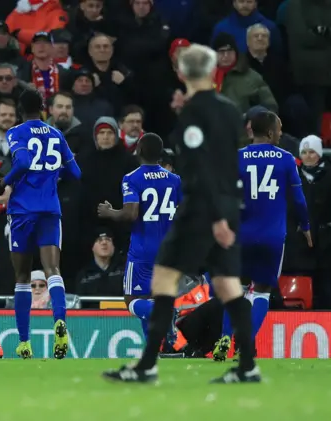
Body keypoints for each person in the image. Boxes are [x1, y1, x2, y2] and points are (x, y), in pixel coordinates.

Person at [103, 44, 260, 384]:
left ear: (182, 73)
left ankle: (149, 364)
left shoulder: (194, 116)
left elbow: (201, 169)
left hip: (204, 212)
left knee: (162, 285)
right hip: (227, 206)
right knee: (229, 287)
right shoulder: (230, 110)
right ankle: (247, 365)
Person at [213, 111, 311, 361]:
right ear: (269, 132)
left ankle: (224, 337)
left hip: (241, 236)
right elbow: (299, 200)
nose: (280, 133)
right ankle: (244, 346)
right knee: (262, 292)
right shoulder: (287, 159)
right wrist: (306, 226)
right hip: (272, 237)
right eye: (279, 129)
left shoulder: (235, 158)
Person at [0, 90, 81, 359]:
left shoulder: (16, 132)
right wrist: (52, 175)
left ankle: (24, 341)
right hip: (50, 208)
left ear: (20, 110)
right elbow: (75, 173)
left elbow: (23, 161)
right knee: (53, 269)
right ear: (44, 108)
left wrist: (4, 182)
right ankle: (60, 320)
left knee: (21, 276)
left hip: (22, 211)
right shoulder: (56, 134)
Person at [97, 133, 181, 341]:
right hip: (169, 250)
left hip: (143, 249)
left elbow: (130, 213)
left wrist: (110, 212)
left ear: (139, 151)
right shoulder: (175, 180)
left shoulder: (132, 178)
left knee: (132, 300)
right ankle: (155, 346)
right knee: (153, 298)